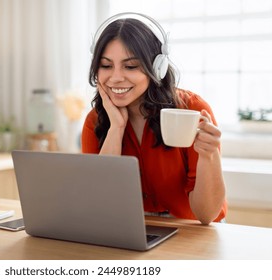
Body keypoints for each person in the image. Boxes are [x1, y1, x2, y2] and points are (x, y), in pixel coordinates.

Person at [81, 13, 226, 225]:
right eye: (106, 65)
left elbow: (206, 216)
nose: (116, 77)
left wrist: (208, 155)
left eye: (130, 66)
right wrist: (116, 129)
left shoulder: (192, 110)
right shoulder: (95, 120)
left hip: (190, 231)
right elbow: (100, 203)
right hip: (134, 230)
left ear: (157, 67)